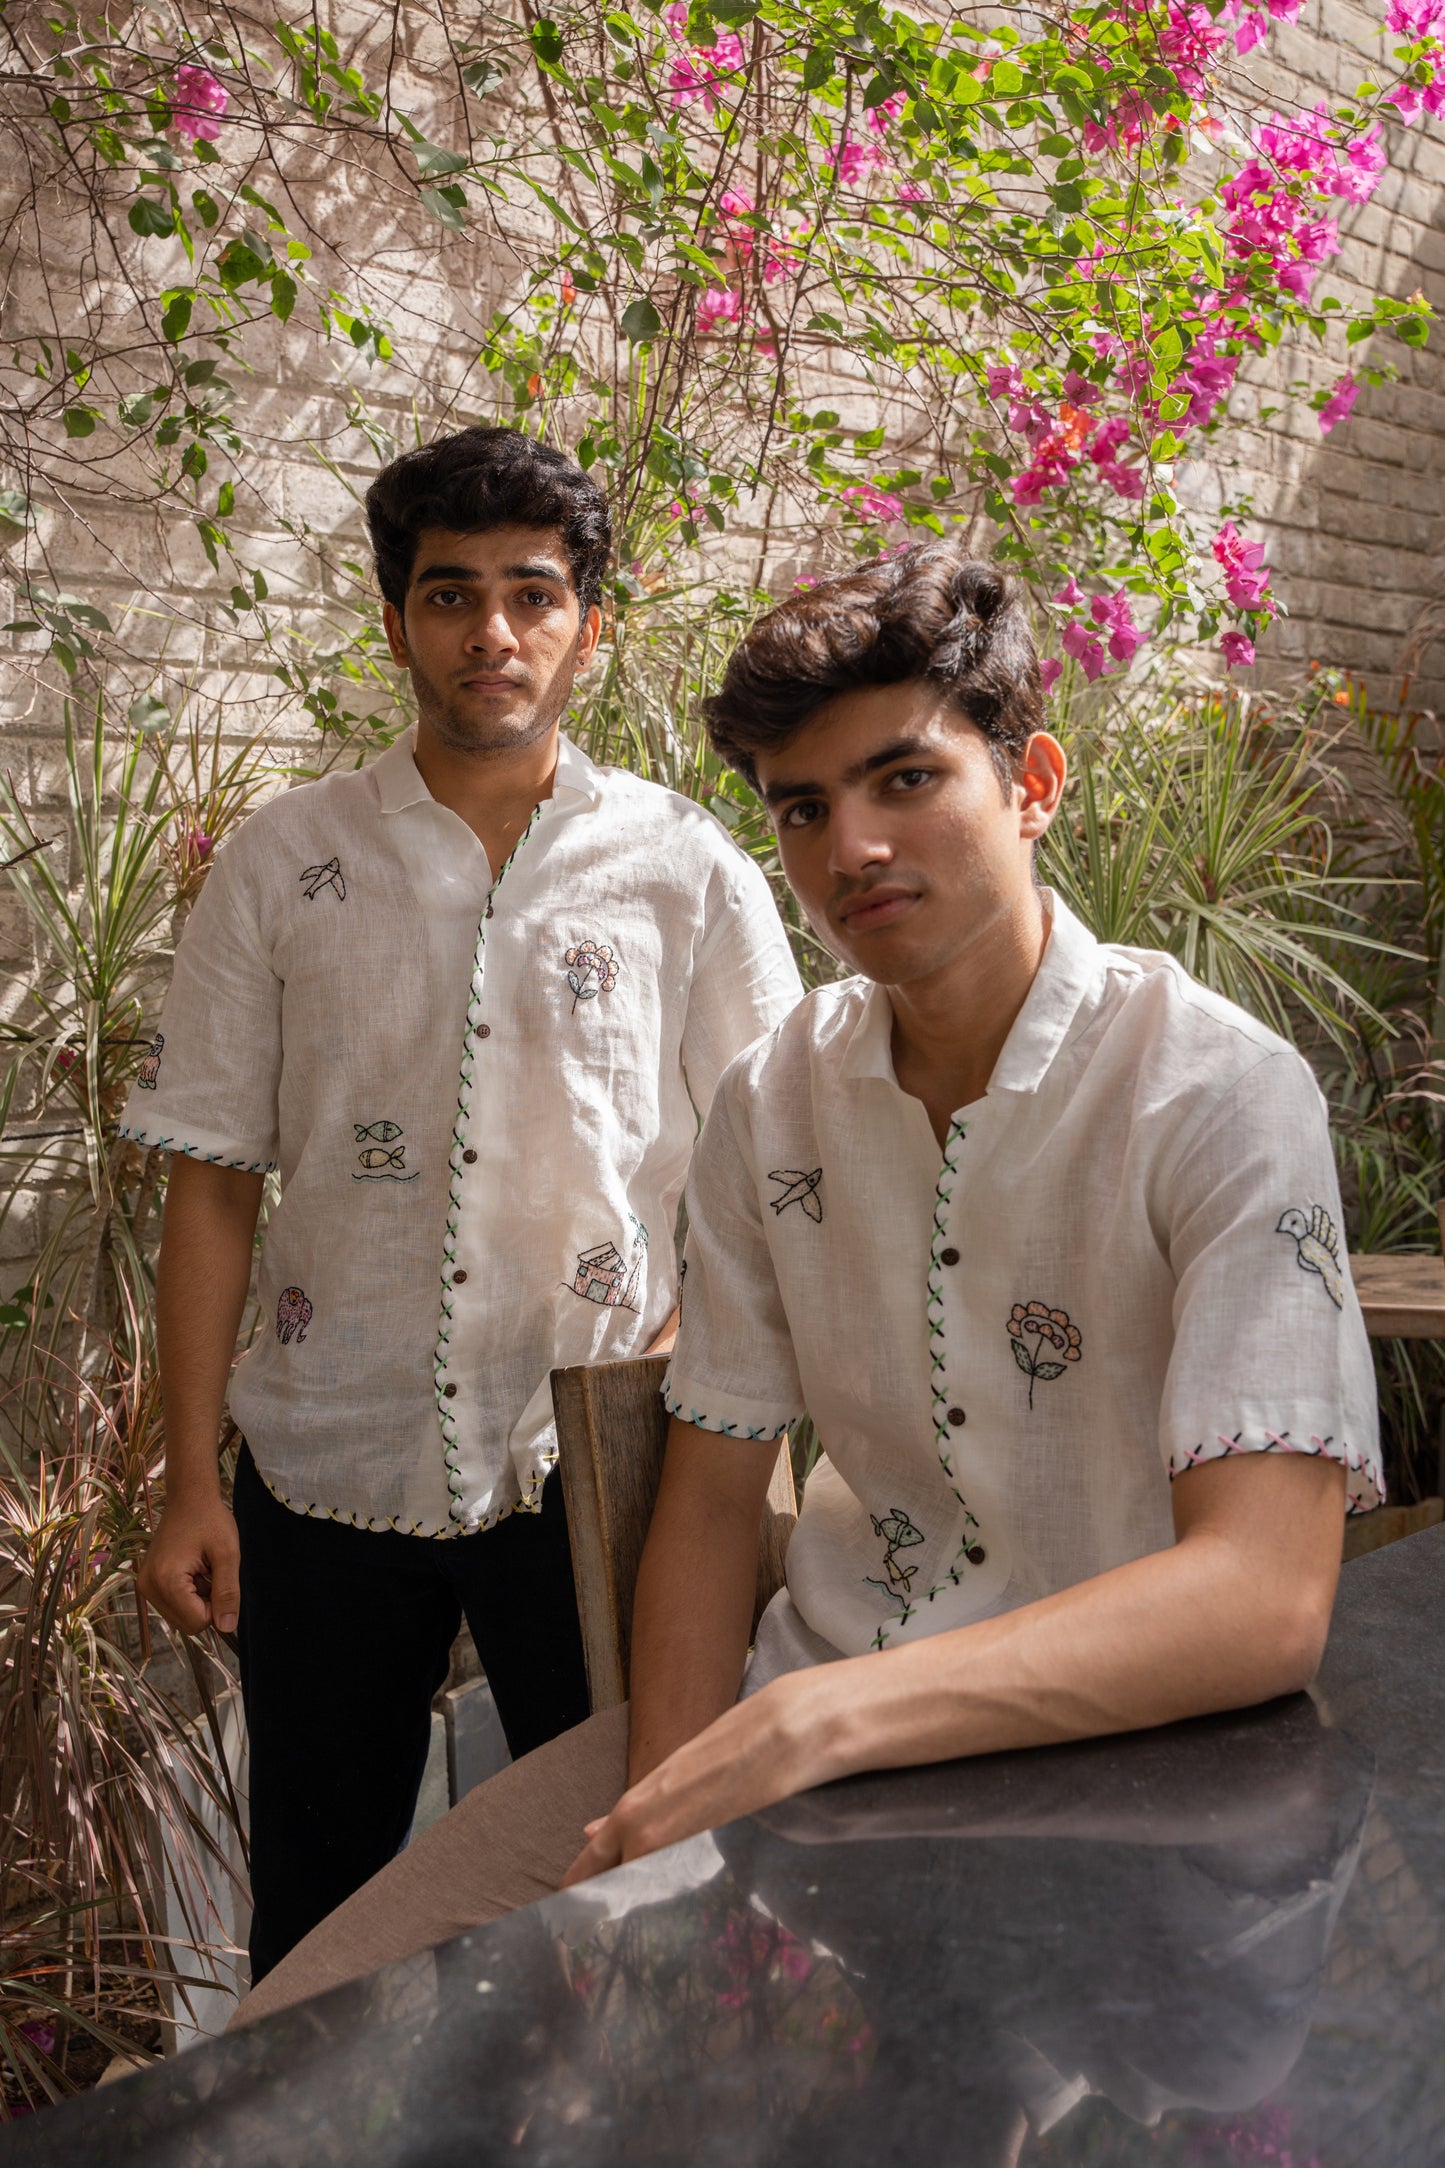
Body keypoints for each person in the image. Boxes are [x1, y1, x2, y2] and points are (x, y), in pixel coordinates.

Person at [231, 539, 1380, 2025]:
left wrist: (819, 1721)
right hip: (799, 1739)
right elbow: (712, 1495)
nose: (851, 848)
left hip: (1129, 1768)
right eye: (804, 806)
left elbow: (1260, 1598)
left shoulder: (1212, 1092)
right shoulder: (774, 1099)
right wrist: (669, 1820)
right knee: (301, 2019)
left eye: (906, 780)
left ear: (1030, 785)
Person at [125, 426, 802, 1983]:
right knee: (318, 1900)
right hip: (320, 1458)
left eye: (531, 594)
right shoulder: (286, 861)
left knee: (623, 1886)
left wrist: (697, 1407)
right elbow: (214, 1174)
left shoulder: (687, 870)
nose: (490, 634)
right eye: (448, 596)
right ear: (394, 621)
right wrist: (189, 1483)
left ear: (589, 620)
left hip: (600, 1468)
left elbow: (774, 1171)